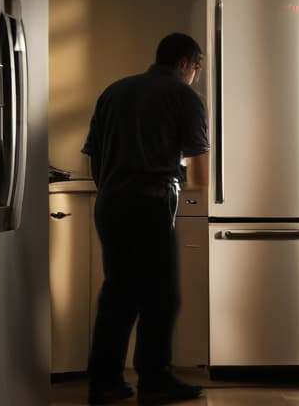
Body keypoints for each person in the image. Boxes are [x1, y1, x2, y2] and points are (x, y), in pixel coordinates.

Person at [82, 33, 209, 405]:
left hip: (109, 203)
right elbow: (200, 174)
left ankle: (104, 382)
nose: (195, 75)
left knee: (118, 294)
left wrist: (111, 188)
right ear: (187, 63)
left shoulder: (114, 91)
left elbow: (94, 156)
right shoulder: (184, 96)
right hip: (150, 204)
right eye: (197, 68)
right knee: (161, 296)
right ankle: (154, 380)